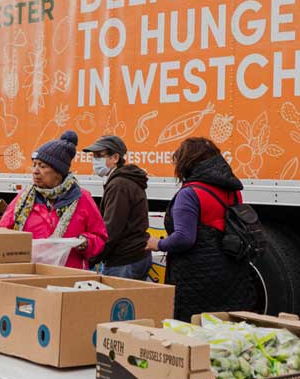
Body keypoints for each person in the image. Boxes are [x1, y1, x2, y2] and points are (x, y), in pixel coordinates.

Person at [0, 130, 107, 379]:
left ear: (58, 172)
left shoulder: (82, 200)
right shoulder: (24, 199)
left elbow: (100, 238)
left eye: (42, 166)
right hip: (35, 283)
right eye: (34, 164)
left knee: (72, 345)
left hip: (71, 282)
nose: (35, 170)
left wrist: (84, 243)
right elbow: (4, 233)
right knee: (42, 345)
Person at [146, 137, 255, 320]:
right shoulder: (233, 190)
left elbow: (184, 238)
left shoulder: (189, 194)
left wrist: (156, 243)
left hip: (196, 279)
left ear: (187, 162)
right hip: (232, 272)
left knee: (194, 330)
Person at [82, 135, 151, 280]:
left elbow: (111, 229)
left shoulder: (119, 185)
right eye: (93, 156)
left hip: (124, 260)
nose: (95, 160)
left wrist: (93, 256)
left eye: (99, 155)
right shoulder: (123, 180)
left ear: (115, 158)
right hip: (134, 256)